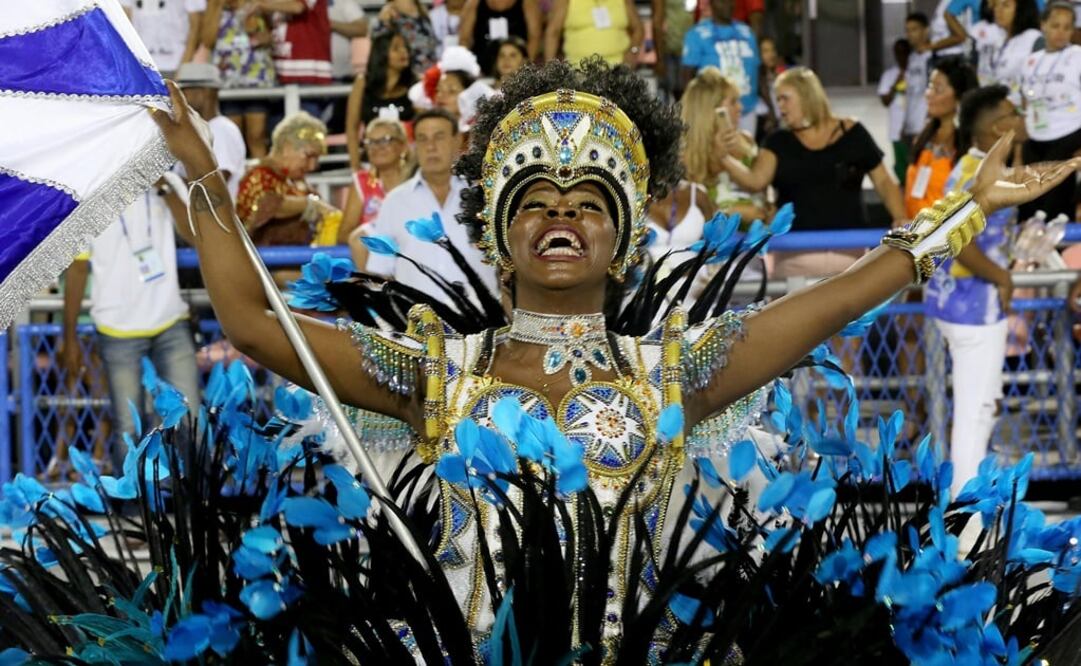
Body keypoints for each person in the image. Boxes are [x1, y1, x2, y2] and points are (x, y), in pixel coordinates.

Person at [154, 54, 1080, 657]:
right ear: (499, 235)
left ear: (625, 239)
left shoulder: (672, 369)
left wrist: (962, 212)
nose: (561, 213)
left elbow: (832, 300)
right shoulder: (434, 372)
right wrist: (199, 170)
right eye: (535, 201)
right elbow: (254, 322)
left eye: (587, 201)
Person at [925, 84, 1024, 496]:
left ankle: (968, 507)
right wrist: (1002, 277)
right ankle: (964, 515)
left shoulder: (973, 164)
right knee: (975, 412)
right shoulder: (979, 173)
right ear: (999, 127)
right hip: (973, 309)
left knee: (982, 408)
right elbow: (957, 239)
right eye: (1014, 113)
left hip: (959, 304)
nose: (1023, 118)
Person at [60, 185, 201, 472]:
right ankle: (134, 497)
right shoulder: (91, 192)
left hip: (171, 321)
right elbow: (77, 268)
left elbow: (195, 235)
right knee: (128, 428)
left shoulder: (169, 183)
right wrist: (69, 335)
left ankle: (192, 495)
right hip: (117, 329)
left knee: (190, 419)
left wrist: (165, 190)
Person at [719, 67, 906, 279]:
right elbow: (755, 181)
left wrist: (900, 218)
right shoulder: (778, 141)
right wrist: (723, 157)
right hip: (793, 257)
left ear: (806, 96)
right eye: (777, 99)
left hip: (850, 256)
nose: (780, 106)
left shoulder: (853, 133)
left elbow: (883, 182)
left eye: (784, 98)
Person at [355, 108, 497, 299]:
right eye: (422, 139)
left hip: (482, 315)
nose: (430, 146)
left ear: (457, 141)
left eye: (439, 137)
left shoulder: (485, 195)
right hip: (417, 316)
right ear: (414, 146)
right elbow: (380, 271)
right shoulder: (395, 202)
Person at [236, 111, 340, 246]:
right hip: (261, 257)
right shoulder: (257, 176)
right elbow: (267, 206)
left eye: (316, 159)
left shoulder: (294, 182)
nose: (312, 166)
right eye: (309, 156)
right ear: (287, 147)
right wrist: (309, 204)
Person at [1019, 1, 1081, 220]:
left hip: (1069, 134)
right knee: (1029, 203)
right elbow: (1024, 100)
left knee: (1054, 204)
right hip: (1035, 136)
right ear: (1043, 25)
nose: (1061, 32)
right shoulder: (1031, 61)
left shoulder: (1077, 56)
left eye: (1067, 27)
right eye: (1055, 25)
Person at [682, 68, 768, 224]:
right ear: (710, 108)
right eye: (733, 102)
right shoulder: (687, 154)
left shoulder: (747, 140)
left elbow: (762, 191)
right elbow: (687, 209)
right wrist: (731, 213)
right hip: (716, 235)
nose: (740, 107)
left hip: (760, 233)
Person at [904, 57, 979, 219]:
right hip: (912, 229)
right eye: (929, 86)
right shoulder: (924, 137)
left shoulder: (972, 147)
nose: (928, 94)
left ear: (960, 97)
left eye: (937, 89)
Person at [202, 0, 277, 159]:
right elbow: (207, 40)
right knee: (232, 136)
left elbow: (272, 33)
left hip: (255, 78)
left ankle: (260, 174)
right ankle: (235, 173)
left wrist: (264, 37)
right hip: (227, 80)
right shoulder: (215, 4)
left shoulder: (258, 4)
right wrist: (218, 6)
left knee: (256, 135)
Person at [681, 0, 760, 134]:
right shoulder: (696, 34)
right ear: (712, 4)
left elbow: (758, 70)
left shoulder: (747, 32)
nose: (727, 5)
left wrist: (770, 108)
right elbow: (687, 77)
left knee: (746, 147)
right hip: (712, 111)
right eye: (722, 1)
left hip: (747, 110)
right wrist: (690, 110)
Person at [345, 30, 417, 172]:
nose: (404, 52)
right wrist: (355, 165)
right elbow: (352, 127)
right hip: (370, 162)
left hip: (407, 164)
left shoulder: (415, 85)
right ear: (382, 54)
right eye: (396, 48)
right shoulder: (362, 83)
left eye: (405, 48)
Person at [942, 0, 1042, 100]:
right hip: (989, 100)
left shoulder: (1034, 39)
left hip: (1018, 103)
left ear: (1022, 9)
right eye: (996, 5)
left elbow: (1036, 85)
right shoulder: (995, 37)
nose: (998, 10)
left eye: (1006, 5)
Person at [174, 63, 247, 199]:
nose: (180, 98)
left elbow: (215, 189)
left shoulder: (222, 130)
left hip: (216, 212)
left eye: (184, 91)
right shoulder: (194, 130)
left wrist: (167, 183)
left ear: (206, 92)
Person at [341, 118, 412, 246]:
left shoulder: (416, 181)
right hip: (372, 253)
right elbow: (344, 235)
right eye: (371, 142)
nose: (377, 147)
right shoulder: (362, 182)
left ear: (403, 146)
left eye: (385, 140)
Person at [119, 0, 206, 77]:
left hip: (176, 63)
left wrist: (183, 69)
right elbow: (123, 24)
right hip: (141, 66)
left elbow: (196, 26)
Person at [544, 0, 644, 66]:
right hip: (578, 70)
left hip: (618, 69)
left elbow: (638, 29)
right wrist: (550, 70)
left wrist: (633, 52)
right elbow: (553, 32)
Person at [260, 0, 333, 85]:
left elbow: (298, 7)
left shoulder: (264, 4)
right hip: (279, 71)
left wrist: (260, 5)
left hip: (308, 73)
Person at [458, 0, 542, 74]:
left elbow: (535, 37)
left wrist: (525, 67)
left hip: (516, 66)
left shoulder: (527, 3)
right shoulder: (474, 3)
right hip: (481, 66)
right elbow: (464, 39)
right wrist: (470, 69)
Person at [879, 38, 913, 184]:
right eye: (898, 53)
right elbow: (885, 101)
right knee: (901, 166)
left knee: (914, 165)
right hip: (896, 128)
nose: (902, 56)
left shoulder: (916, 72)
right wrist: (895, 84)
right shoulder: (889, 75)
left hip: (915, 128)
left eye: (905, 52)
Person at [375, 0, 440, 76]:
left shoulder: (422, 11)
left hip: (431, 73)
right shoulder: (388, 13)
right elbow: (380, 47)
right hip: (408, 75)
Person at [902, 12, 934, 155]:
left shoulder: (932, 57)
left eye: (914, 29)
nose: (910, 34)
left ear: (926, 30)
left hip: (925, 126)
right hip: (911, 125)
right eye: (907, 30)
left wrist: (929, 124)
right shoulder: (912, 58)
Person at [651, 0, 696, 101]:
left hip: (695, 50)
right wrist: (660, 59)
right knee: (668, 99)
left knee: (693, 97)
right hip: (671, 52)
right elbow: (657, 23)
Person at [755, 36, 784, 140]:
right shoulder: (756, 79)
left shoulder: (779, 75)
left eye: (772, 50)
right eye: (766, 51)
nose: (771, 55)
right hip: (764, 128)